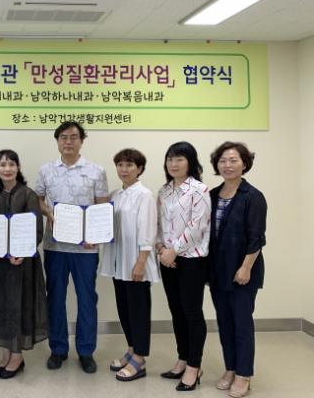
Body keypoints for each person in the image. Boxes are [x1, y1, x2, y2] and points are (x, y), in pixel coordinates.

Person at [35, 121, 108, 374]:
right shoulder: (46, 170)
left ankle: (86, 351)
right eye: (63, 137)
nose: (68, 141)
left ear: (81, 141)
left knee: (87, 299)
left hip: (85, 249)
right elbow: (38, 200)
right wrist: (49, 213)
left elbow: (102, 207)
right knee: (55, 297)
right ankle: (58, 349)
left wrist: (95, 235)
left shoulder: (96, 171)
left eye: (73, 137)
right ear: (57, 141)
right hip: (55, 246)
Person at [0, 149, 49, 379]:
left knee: (19, 306)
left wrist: (22, 253)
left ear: (18, 168)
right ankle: (6, 353)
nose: (7, 169)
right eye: (2, 165)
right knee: (0, 306)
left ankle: (17, 356)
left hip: (22, 264)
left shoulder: (28, 195)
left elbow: (36, 230)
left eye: (11, 164)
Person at [208, 142, 266, 398]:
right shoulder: (212, 195)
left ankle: (244, 374)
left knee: (241, 324)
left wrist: (245, 268)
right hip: (218, 271)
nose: (227, 165)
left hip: (243, 272)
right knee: (224, 322)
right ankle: (230, 368)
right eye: (222, 160)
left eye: (233, 160)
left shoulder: (253, 196)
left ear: (244, 164)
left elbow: (257, 238)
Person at [155, 141, 211, 392]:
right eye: (170, 159)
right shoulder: (164, 191)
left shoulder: (199, 190)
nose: (173, 164)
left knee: (192, 312)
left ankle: (194, 367)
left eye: (179, 159)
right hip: (167, 258)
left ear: (190, 162)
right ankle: (183, 358)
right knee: (176, 310)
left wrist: (173, 250)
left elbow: (197, 226)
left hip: (191, 259)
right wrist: (160, 247)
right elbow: (159, 223)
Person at [100, 148, 159, 382]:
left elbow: (148, 230)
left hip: (135, 262)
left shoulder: (144, 195)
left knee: (138, 311)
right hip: (118, 262)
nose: (124, 169)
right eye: (120, 165)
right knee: (124, 308)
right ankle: (132, 349)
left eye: (129, 165)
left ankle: (140, 359)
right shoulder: (115, 194)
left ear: (140, 169)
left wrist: (141, 262)